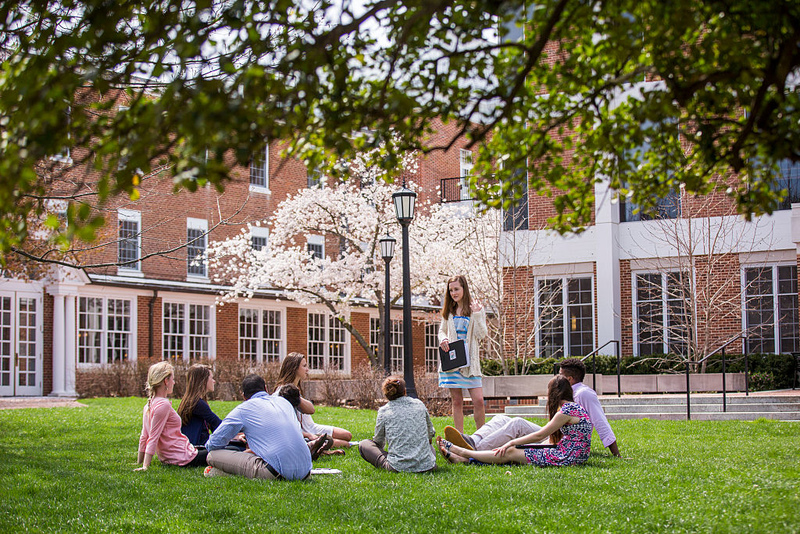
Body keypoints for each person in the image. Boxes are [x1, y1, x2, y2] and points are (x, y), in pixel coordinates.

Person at [436, 375, 592, 467]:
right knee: (503, 421)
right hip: (571, 452)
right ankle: (472, 445)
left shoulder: (565, 412)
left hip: (567, 456)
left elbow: (539, 436)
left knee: (510, 451)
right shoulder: (574, 408)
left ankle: (464, 453)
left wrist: (511, 442)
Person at [204, 374, 317, 481]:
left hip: (275, 472)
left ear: (244, 396)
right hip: (305, 472)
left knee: (212, 455)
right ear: (266, 389)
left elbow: (214, 444)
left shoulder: (243, 409)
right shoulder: (284, 402)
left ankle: (225, 472)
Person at [136, 361, 208, 471]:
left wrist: (139, 462)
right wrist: (145, 466)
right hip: (182, 457)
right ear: (166, 381)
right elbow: (152, 438)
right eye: (172, 379)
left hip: (180, 454)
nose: (174, 383)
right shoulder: (163, 405)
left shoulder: (149, 405)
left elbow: (144, 436)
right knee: (221, 452)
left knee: (213, 449)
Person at [438, 274, 487, 433]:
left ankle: (482, 436)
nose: (453, 293)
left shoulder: (476, 309)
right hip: (453, 362)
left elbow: (481, 335)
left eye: (456, 289)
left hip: (470, 364)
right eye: (451, 290)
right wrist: (444, 339)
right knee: (457, 401)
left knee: (478, 400)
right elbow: (442, 331)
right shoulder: (449, 311)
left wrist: (478, 314)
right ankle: (459, 437)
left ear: (464, 289)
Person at [358, 376, 436, 473]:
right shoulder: (419, 404)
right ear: (404, 391)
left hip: (398, 467)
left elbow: (379, 441)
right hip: (427, 466)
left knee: (364, 444)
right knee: (430, 448)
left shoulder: (384, 411)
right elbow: (430, 432)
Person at [275, 352, 354, 448]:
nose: (307, 369)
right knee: (345, 444)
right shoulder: (282, 392)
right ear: (294, 368)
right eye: (304, 366)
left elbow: (311, 410)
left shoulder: (296, 388)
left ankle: (320, 440)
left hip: (311, 427)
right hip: (302, 433)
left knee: (347, 435)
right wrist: (307, 435)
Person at [559, 357, 621, 457]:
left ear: (569, 378)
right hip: (554, 438)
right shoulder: (565, 392)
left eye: (560, 375)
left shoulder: (584, 394)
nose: (558, 378)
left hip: (566, 443)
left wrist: (617, 455)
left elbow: (600, 422)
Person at [443, 415, 544, 451]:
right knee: (501, 418)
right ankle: (473, 440)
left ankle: (473, 451)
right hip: (553, 434)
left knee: (518, 424)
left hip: (557, 441)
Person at [177, 364, 222, 446]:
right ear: (203, 380)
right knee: (236, 449)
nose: (214, 381)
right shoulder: (197, 403)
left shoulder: (194, 401)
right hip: (196, 451)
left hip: (195, 448)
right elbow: (218, 424)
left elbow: (216, 427)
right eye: (211, 378)